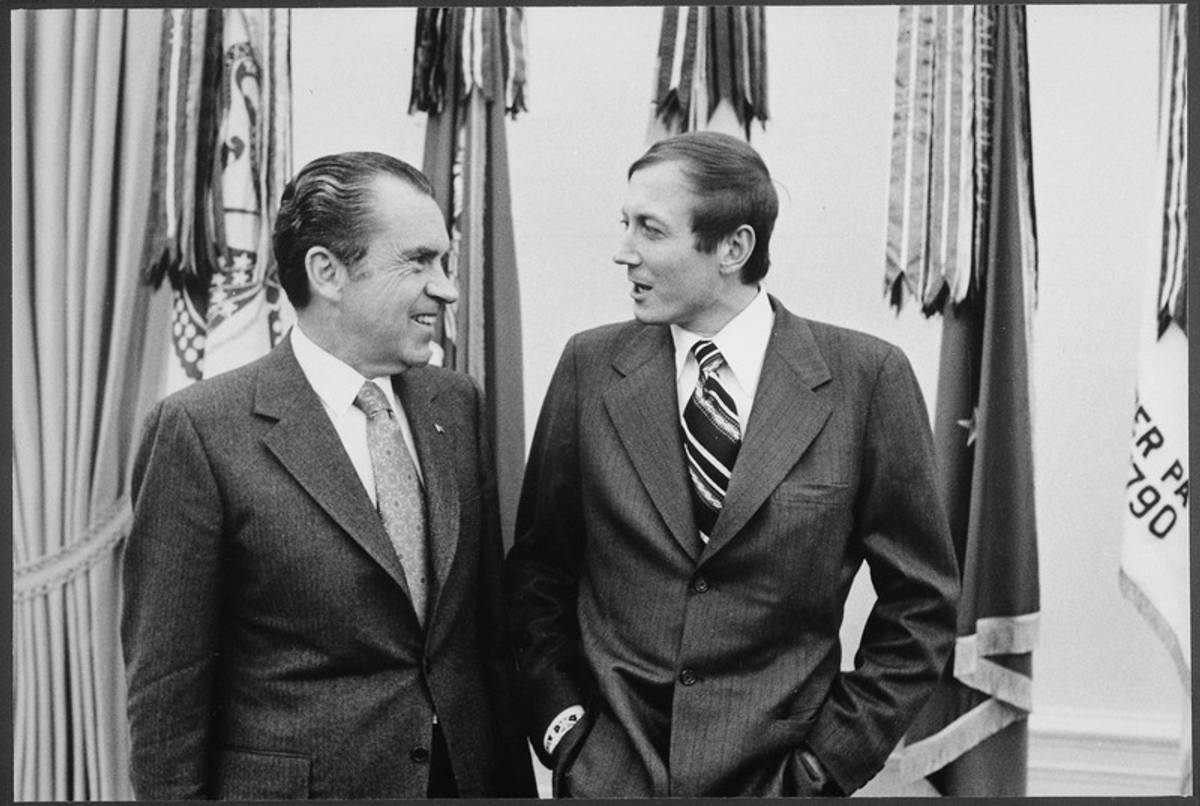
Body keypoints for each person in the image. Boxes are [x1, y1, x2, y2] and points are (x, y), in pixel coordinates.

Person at [505, 131, 959, 797]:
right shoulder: (589, 367)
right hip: (608, 779)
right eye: (624, 224)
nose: (622, 250)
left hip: (780, 782)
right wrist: (567, 733)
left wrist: (824, 767)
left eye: (650, 230)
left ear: (733, 248)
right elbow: (539, 574)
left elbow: (921, 606)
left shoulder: (866, 380)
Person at [122, 152, 534, 799]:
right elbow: (167, 695)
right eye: (419, 261)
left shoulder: (455, 404)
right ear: (327, 272)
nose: (447, 288)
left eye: (445, 263)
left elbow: (485, 647)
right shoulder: (201, 430)